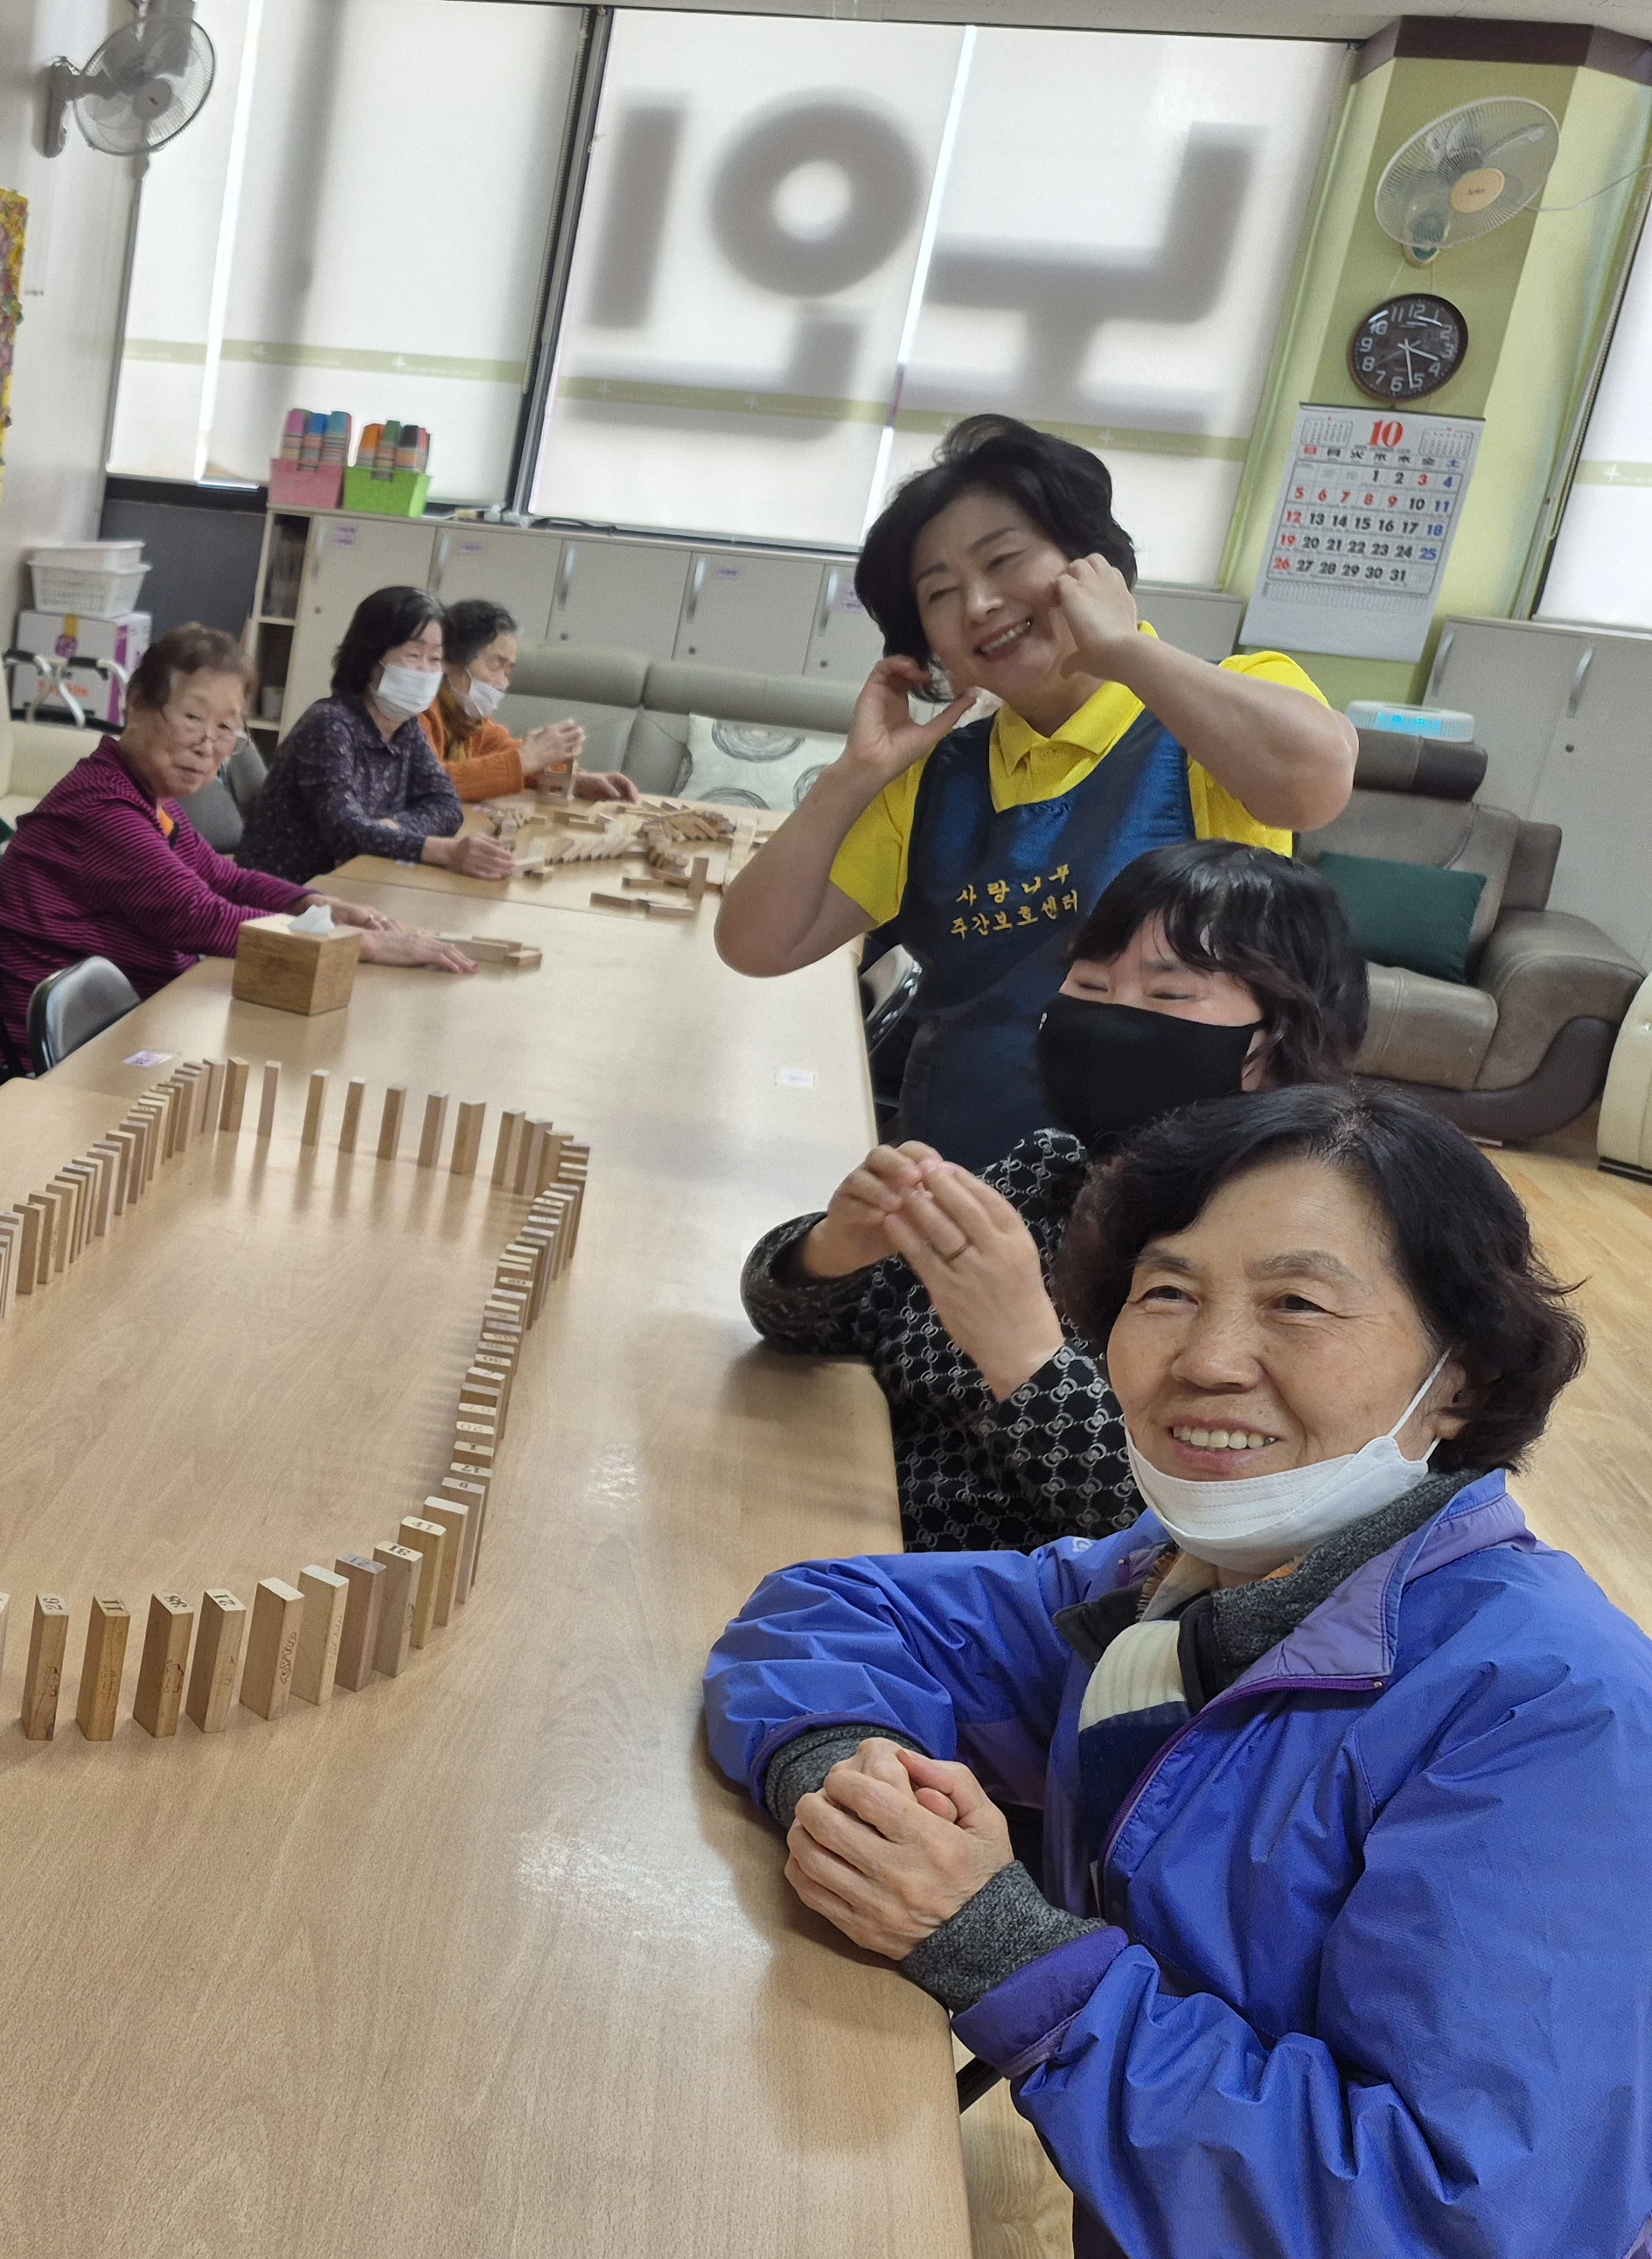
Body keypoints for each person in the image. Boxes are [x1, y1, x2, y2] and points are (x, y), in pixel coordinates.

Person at [706, 1085, 1649, 2259]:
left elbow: (1444, 2230)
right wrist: (848, 1779)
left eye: (1297, 1305)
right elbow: (831, 1614)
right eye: (1167, 1293)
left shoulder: (1548, 1712)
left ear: (1465, 1376)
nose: (1207, 1358)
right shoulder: (1178, 1589)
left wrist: (1003, 1950)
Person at [715, 417, 1357, 1168]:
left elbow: (1312, 788)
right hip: (956, 1179)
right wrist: (854, 774)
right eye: (940, 593)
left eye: (1004, 559)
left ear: (1092, 563)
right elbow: (758, 946)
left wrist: (1123, 649)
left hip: (1166, 1193)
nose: (979, 603)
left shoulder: (1218, 708)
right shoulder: (936, 777)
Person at [744, 840, 1365, 1552]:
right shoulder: (1050, 1174)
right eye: (1091, 987)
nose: (1110, 1021)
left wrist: (1027, 1359)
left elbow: (1199, 1537)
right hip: (837, 1532)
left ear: (1275, 1041)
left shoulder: (1285, 1268)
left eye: (1168, 996)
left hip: (1001, 1607)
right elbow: (795, 1321)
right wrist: (832, 1250)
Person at [0, 624, 477, 1082]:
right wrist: (362, 945)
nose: (207, 745)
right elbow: (200, 915)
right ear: (136, 704)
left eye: (227, 729)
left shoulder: (149, 800)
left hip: (124, 1029)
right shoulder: (103, 809)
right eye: (192, 718)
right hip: (55, 1069)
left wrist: (315, 904)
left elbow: (224, 878)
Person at [234, 586, 527, 884]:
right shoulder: (329, 725)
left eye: (435, 659)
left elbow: (447, 807)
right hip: (284, 892)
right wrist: (447, 852)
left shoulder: (406, 728)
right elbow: (345, 832)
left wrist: (392, 828)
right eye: (413, 655)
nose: (426, 671)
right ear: (370, 659)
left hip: (354, 883)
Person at [424, 598, 635, 804]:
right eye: (495, 665)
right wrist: (526, 759)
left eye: (508, 671)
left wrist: (576, 780)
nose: (503, 684)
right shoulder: (419, 709)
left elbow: (502, 753)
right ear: (449, 660)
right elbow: (426, 781)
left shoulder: (469, 721)